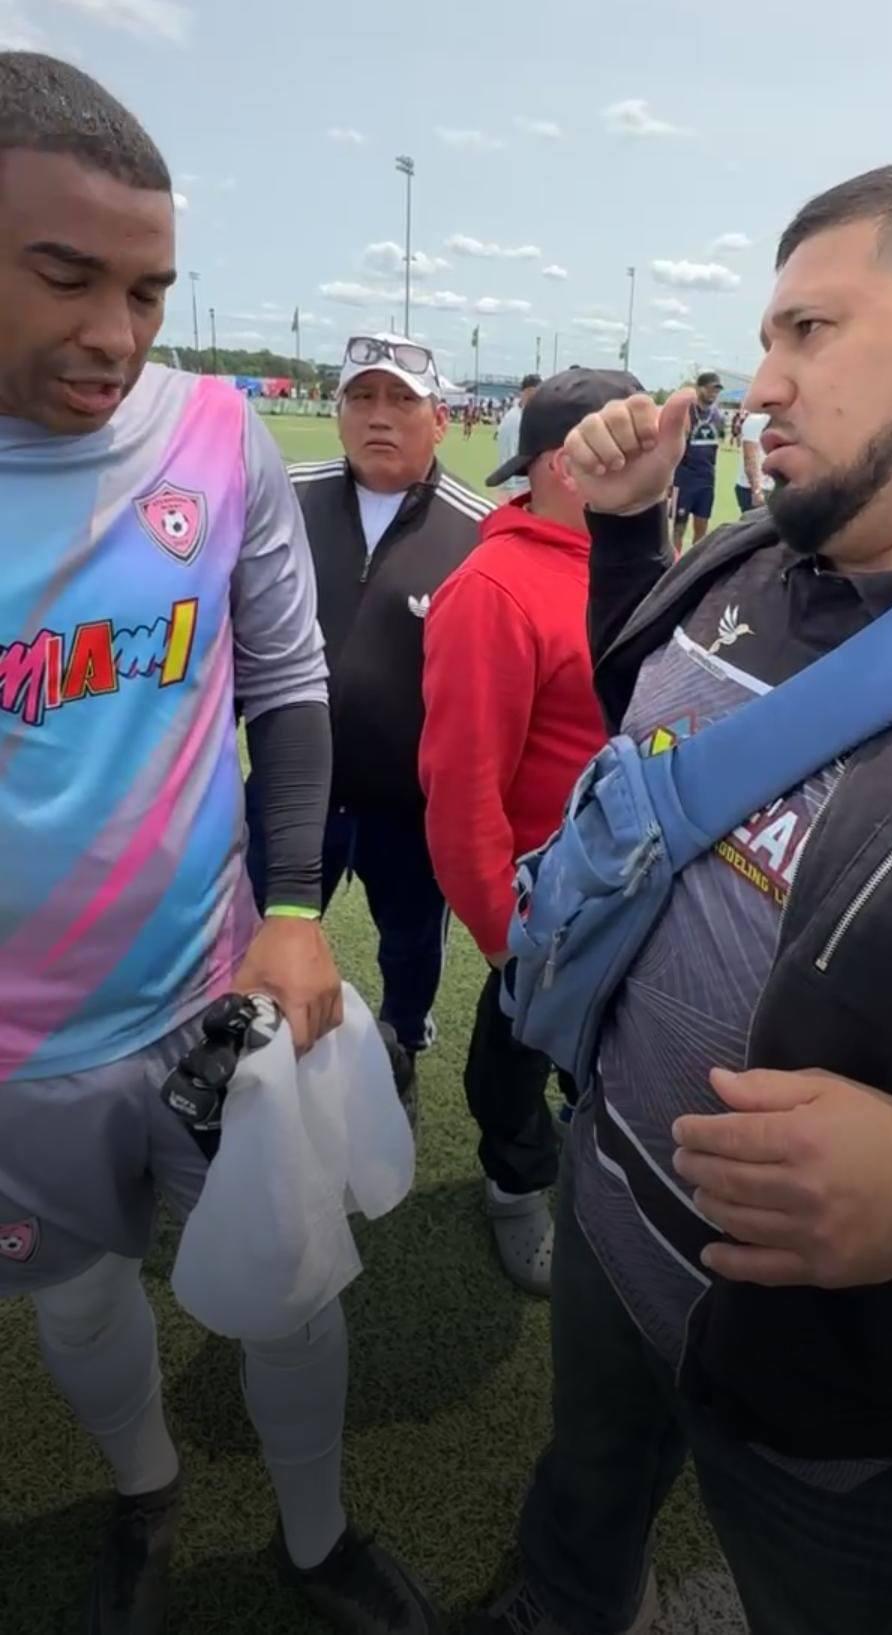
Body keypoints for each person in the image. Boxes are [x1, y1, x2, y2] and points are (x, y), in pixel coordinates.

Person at [471, 156, 892, 1635]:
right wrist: (627, 538)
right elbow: (666, 757)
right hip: (613, 1214)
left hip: (846, 1387)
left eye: (808, 330)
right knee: (580, 1499)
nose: (760, 380)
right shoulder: (762, 542)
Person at [0, 53, 440, 1635]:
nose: (117, 333)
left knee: (291, 1279)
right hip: (19, 1056)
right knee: (76, 1293)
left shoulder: (212, 438)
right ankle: (143, 1486)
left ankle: (315, 1535)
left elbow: (291, 679)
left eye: (149, 288)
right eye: (67, 277)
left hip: (214, 997)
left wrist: (304, 904)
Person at [419, 372, 636, 1293]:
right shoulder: (496, 586)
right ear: (567, 466)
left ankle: (590, 1170)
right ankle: (516, 1184)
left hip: (636, 883)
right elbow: (461, 782)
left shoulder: (634, 563)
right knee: (516, 1053)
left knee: (612, 1060)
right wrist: (507, 932)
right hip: (546, 900)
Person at [248, 333, 492, 1106]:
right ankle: (259, 1071)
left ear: (441, 419)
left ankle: (401, 1056)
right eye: (362, 397)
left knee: (411, 947)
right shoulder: (284, 496)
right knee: (261, 941)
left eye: (401, 400)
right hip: (291, 797)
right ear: (340, 410)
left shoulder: (482, 530)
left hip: (410, 809)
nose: (378, 416)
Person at [671, 369, 723, 553]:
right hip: (684, 479)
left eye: (717, 390)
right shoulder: (688, 412)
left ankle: (694, 570)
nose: (714, 393)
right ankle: (674, 568)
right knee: (679, 527)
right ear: (699, 389)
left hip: (707, 479)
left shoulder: (718, 416)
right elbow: (674, 447)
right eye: (710, 389)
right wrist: (670, 481)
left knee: (702, 528)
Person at [495, 373, 542, 497]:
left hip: (525, 486)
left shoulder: (528, 416)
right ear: (523, 393)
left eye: (537, 393)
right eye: (530, 392)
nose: (534, 397)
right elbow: (509, 455)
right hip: (515, 488)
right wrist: (512, 492)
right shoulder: (515, 419)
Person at [734, 403, 769, 512]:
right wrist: (756, 490)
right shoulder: (756, 420)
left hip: (773, 488)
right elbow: (750, 457)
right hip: (753, 489)